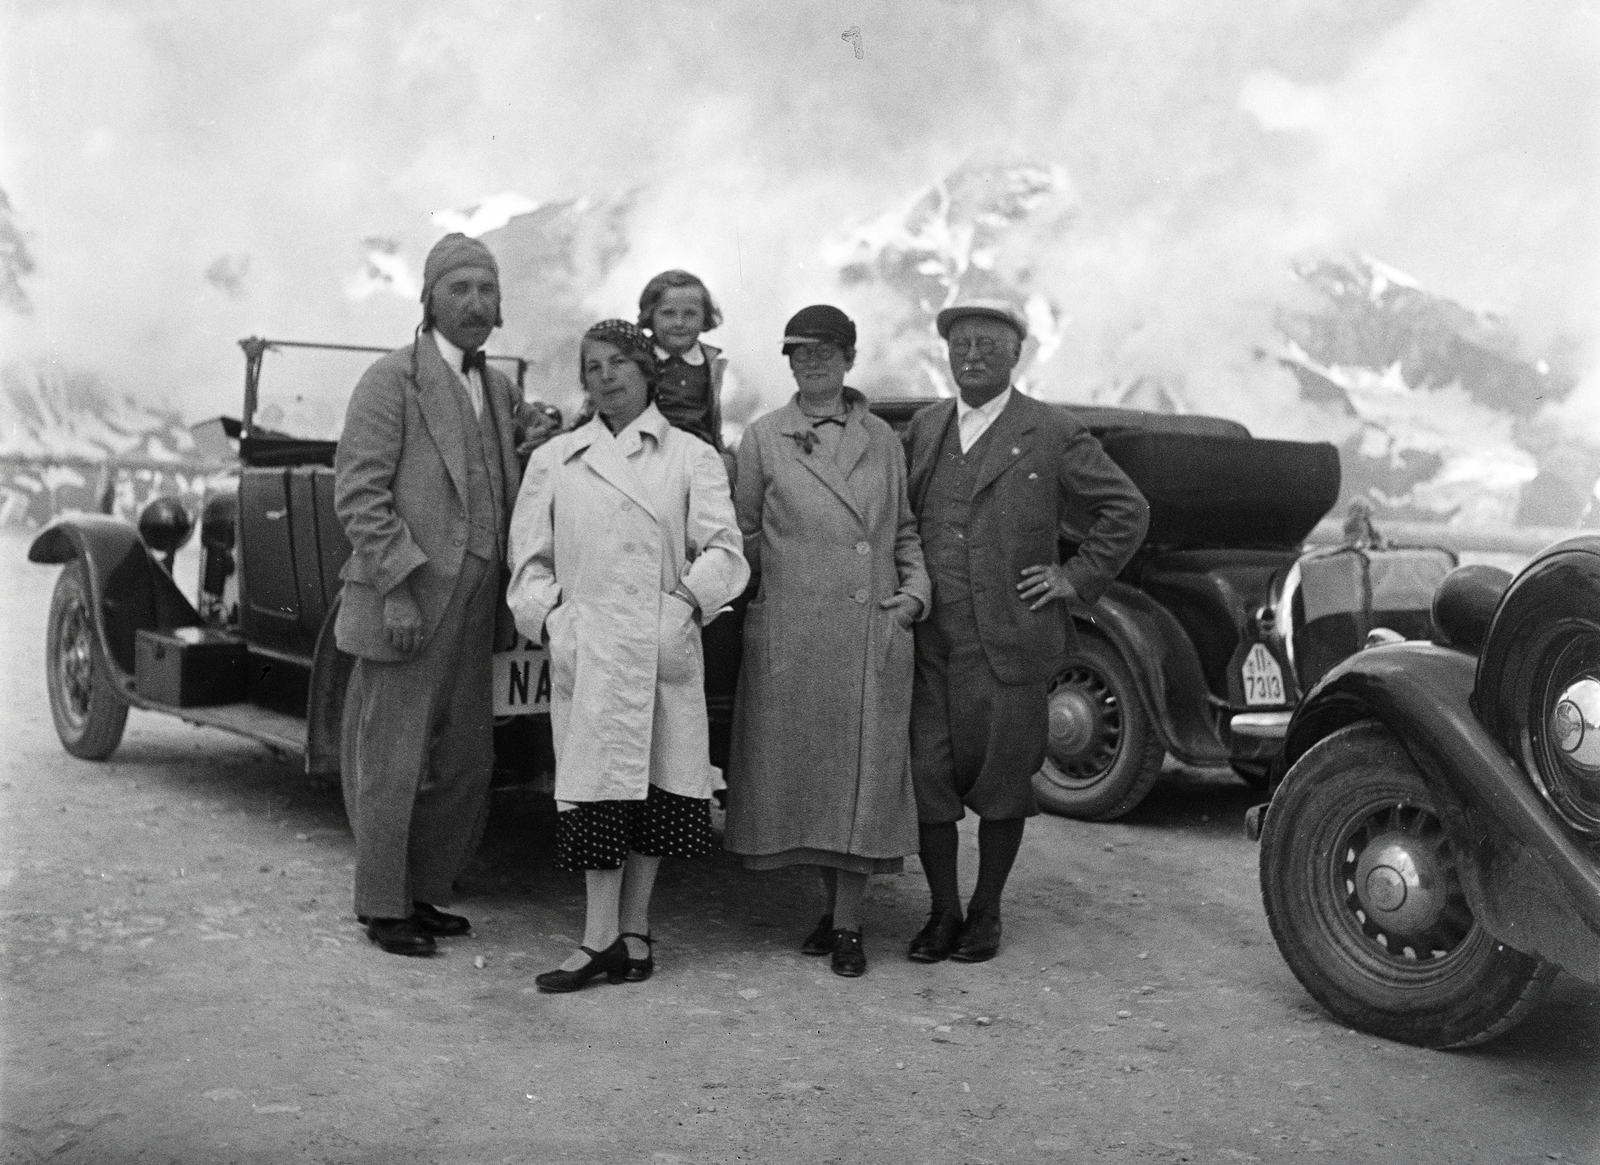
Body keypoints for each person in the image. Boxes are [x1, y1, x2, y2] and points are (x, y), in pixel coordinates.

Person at [904, 298, 1149, 965]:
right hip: (932, 641)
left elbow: (1127, 509)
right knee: (929, 776)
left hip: (1011, 641)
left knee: (1004, 782)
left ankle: (985, 912)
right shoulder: (926, 429)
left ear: (1017, 354)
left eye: (988, 344)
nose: (973, 355)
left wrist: (1076, 577)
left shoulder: (1051, 430)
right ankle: (942, 910)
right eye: (961, 345)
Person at [507, 320, 748, 992]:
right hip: (591, 644)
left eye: (618, 363)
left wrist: (684, 608)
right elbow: (528, 564)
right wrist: (554, 620)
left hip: (660, 641)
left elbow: (727, 552)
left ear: (646, 370)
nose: (606, 376)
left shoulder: (690, 456)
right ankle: (598, 937)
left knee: (656, 789)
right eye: (592, 366)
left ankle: (633, 932)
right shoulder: (555, 459)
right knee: (597, 789)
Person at [725, 305, 931, 978]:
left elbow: (902, 531)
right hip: (794, 632)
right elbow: (744, 535)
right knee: (811, 780)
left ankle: (847, 925)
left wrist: (914, 595)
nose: (811, 364)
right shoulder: (763, 438)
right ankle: (829, 910)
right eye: (798, 353)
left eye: (824, 352)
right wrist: (759, 604)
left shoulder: (882, 439)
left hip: (867, 627)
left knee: (858, 783)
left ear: (849, 357)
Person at [333, 232, 523, 957]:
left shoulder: (497, 387)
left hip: (476, 607)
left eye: (486, 290)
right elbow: (359, 493)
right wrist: (398, 589)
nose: (475, 303)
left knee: (467, 760)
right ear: (429, 298)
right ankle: (383, 906)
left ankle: (422, 889)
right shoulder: (393, 380)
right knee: (393, 758)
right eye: (460, 288)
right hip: (407, 603)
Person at [638, 269, 729, 451]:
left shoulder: (708, 363)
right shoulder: (638, 358)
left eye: (690, 313)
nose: (679, 322)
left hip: (699, 453)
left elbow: (711, 421)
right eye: (668, 313)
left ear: (705, 317)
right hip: (649, 452)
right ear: (650, 315)